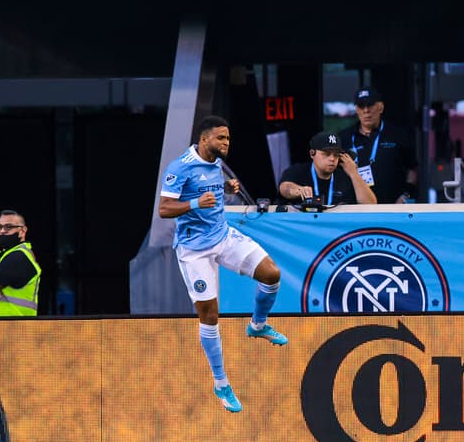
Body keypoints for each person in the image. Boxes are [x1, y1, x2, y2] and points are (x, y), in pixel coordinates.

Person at [158, 116, 286, 414]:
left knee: (271, 273)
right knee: (210, 314)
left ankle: (258, 325)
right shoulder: (180, 167)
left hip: (222, 236)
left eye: (228, 138)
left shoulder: (215, 162)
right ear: (204, 140)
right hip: (193, 250)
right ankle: (221, 383)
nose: (226, 143)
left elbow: (208, 190)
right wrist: (193, 204)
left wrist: (225, 188)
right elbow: (164, 208)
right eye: (221, 138)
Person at [340, 86, 419, 204]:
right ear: (356, 109)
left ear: (380, 107)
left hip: (392, 207)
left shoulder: (397, 135)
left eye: (370, 105)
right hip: (356, 208)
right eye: (361, 106)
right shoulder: (345, 137)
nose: (366, 110)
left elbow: (413, 168)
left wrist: (405, 196)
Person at [278, 130, 378, 206]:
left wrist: (354, 174)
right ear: (312, 154)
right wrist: (298, 190)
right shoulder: (298, 170)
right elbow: (284, 188)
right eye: (326, 154)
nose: (332, 159)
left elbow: (371, 205)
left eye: (336, 155)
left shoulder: (345, 176)